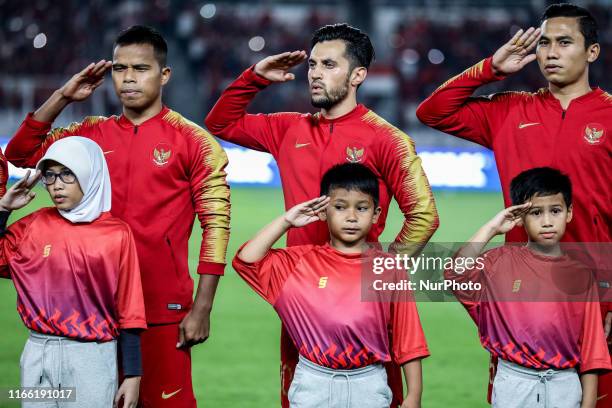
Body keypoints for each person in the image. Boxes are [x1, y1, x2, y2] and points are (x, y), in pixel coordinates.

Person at [205, 23, 438, 407]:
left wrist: (380, 274)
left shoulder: (388, 139)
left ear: (357, 75)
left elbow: (424, 214)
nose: (314, 73)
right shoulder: (287, 128)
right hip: (301, 298)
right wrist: (254, 79)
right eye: (312, 64)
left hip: (361, 306)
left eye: (328, 64)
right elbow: (220, 123)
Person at [5, 26, 230, 407]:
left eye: (140, 68)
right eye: (119, 69)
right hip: (90, 314)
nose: (128, 78)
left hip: (161, 311)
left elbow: (216, 225)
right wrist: (63, 96)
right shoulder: (90, 135)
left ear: (165, 75)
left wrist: (202, 307)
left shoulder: (194, 142)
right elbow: (21, 154)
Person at [415, 3, 611, 402]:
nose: (550, 53)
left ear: (592, 51)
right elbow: (432, 112)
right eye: (544, 43)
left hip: (598, 296)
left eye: (564, 42)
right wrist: (490, 69)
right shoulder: (509, 110)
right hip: (521, 299)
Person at [233, 163, 428, 408]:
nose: (351, 217)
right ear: (324, 211)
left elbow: (407, 338)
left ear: (376, 214)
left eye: (362, 208)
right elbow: (246, 260)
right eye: (339, 207)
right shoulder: (298, 263)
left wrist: (414, 396)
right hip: (313, 384)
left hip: (369, 384)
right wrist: (286, 221)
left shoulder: (387, 268)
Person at [445, 167, 611, 408]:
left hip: (565, 385)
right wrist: (492, 227)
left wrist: (587, 405)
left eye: (555, 211)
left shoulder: (582, 276)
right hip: (513, 383)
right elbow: (455, 273)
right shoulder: (499, 262)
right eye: (535, 213)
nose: (546, 222)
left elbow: (592, 351)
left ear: (569, 213)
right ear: (520, 217)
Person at [0, 137, 147, 408]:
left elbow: (130, 308)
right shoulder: (34, 224)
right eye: (50, 175)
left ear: (89, 173)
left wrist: (133, 374)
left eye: (67, 173)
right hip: (37, 354)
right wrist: (3, 209)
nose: (56, 184)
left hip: (91, 359)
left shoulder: (116, 234)